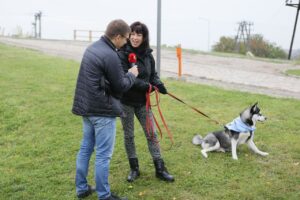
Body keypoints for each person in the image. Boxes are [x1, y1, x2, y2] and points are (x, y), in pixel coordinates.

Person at [72, 19, 139, 200]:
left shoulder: (93, 48)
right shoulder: (110, 55)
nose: (126, 42)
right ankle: (104, 196)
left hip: (87, 108)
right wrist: (131, 75)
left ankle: (82, 189)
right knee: (103, 155)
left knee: (86, 148)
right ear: (117, 36)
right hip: (102, 111)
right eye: (125, 38)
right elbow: (120, 86)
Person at [118, 21, 174, 183]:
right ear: (128, 35)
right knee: (129, 136)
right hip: (126, 101)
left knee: (151, 134)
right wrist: (148, 86)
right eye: (133, 34)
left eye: (139, 34)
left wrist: (159, 84)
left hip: (144, 102)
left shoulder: (148, 55)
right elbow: (126, 77)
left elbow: (153, 75)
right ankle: (134, 169)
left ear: (144, 37)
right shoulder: (122, 54)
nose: (135, 37)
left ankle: (160, 168)